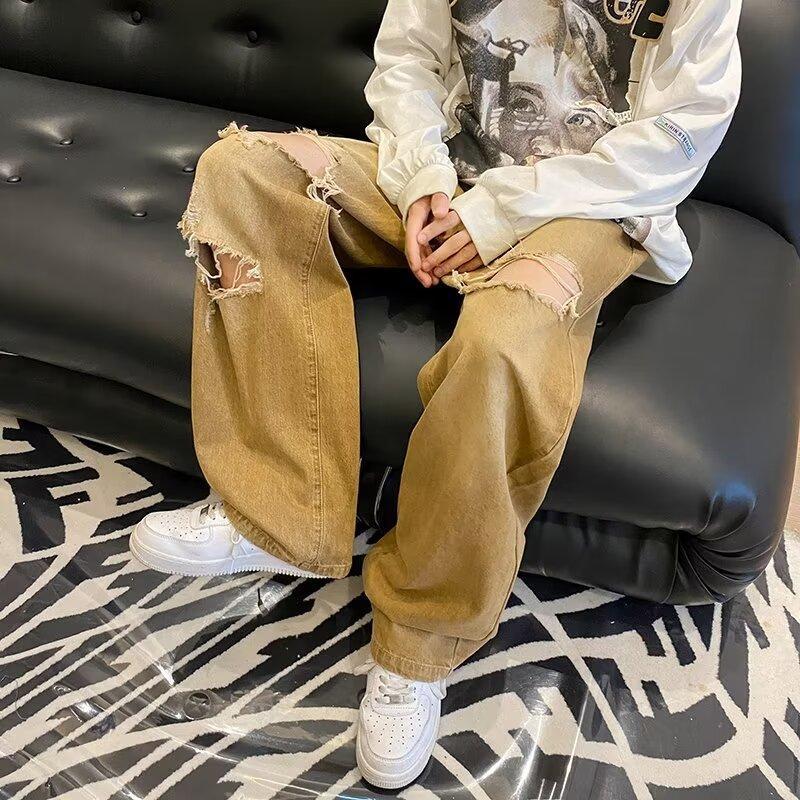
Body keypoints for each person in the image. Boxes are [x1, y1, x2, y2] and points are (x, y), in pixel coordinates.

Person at [129, 0, 741, 788]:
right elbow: (408, 59)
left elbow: (680, 134)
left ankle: (418, 643)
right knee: (243, 173)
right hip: (450, 179)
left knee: (501, 346)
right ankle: (277, 511)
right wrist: (421, 181)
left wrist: (498, 213)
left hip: (586, 206)